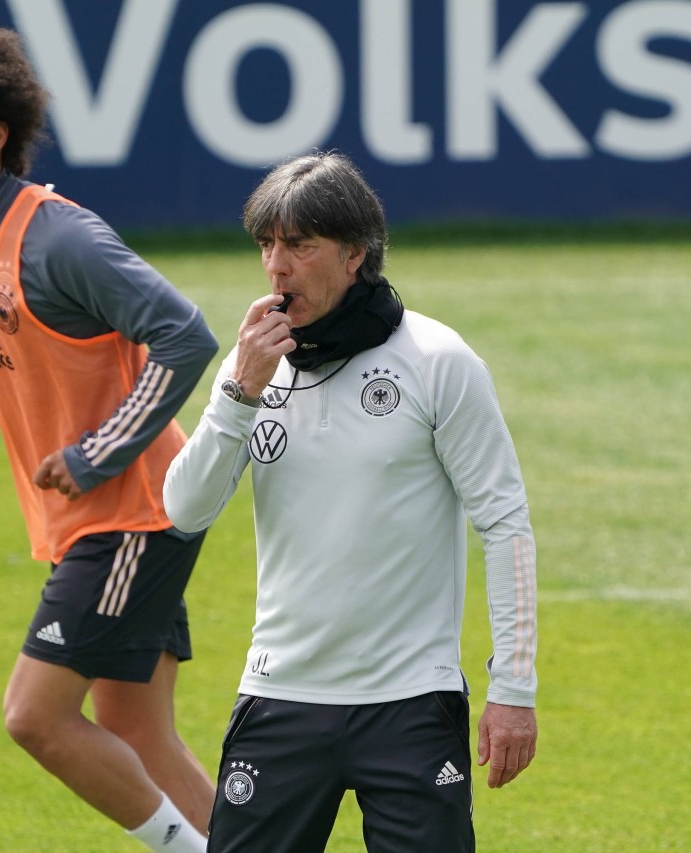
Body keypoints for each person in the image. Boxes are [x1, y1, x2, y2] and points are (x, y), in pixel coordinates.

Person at [0, 20, 218, 852]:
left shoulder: (60, 238)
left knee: (35, 715)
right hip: (89, 519)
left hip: (135, 511)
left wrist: (101, 451)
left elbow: (186, 334)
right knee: (137, 732)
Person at [162, 151, 538, 852]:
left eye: (300, 245)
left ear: (355, 254)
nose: (277, 265)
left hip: (410, 701)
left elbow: (505, 522)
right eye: (267, 245)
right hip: (282, 692)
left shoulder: (437, 360)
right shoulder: (252, 367)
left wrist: (513, 685)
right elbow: (184, 509)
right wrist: (239, 392)